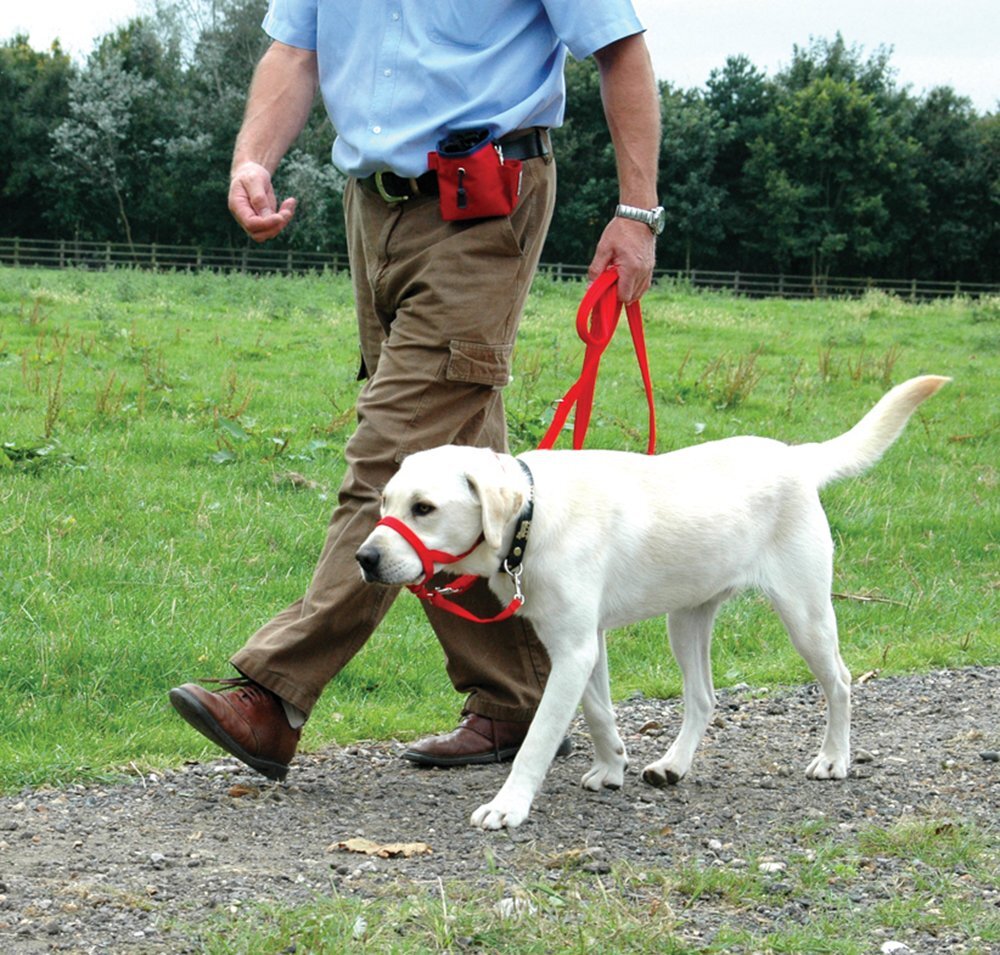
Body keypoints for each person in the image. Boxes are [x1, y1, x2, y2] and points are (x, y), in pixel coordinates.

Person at [169, 0, 663, 780]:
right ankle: (517, 695)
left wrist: (638, 212)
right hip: (371, 207)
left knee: (392, 457)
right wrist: (252, 158)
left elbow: (620, 48)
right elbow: (294, 51)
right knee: (460, 462)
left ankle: (275, 693)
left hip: (486, 203)